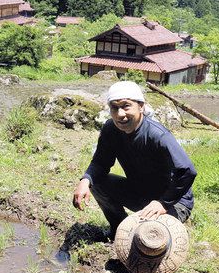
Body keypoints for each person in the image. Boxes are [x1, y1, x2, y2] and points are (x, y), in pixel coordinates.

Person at [72, 80, 196, 240]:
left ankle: (160, 222)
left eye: (126, 106)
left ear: (141, 106)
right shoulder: (111, 129)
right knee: (97, 181)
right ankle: (118, 228)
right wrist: (85, 181)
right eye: (114, 108)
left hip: (173, 202)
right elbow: (100, 163)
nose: (120, 114)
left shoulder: (157, 134)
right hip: (140, 193)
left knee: (149, 239)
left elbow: (187, 171)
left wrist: (163, 203)